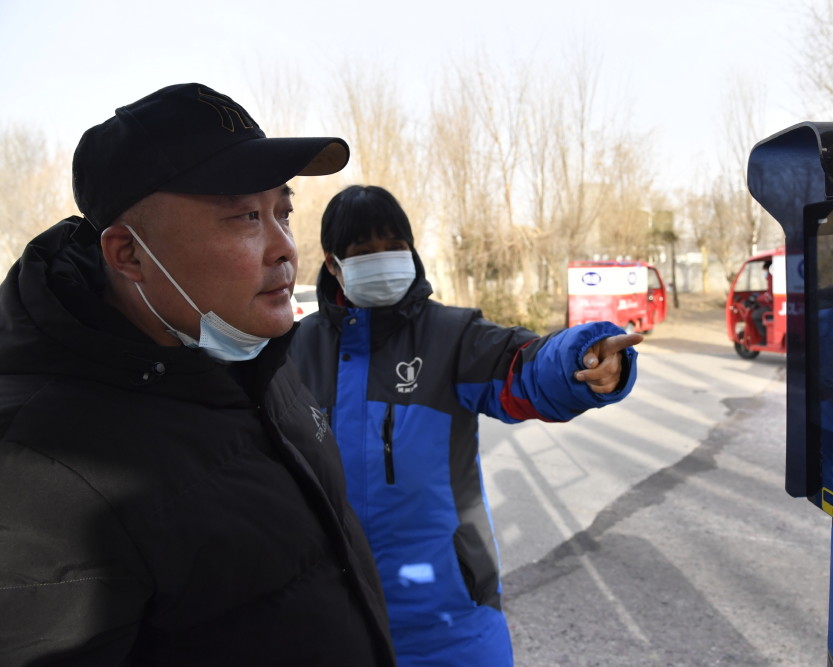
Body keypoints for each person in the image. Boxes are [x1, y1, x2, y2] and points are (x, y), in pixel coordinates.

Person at [0, 84, 396, 665]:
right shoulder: (41, 464)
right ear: (128, 255)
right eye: (244, 218)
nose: (284, 248)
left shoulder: (255, 359)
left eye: (283, 212)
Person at [288, 185, 643, 666]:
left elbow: (525, 369)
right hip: (332, 623)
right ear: (334, 265)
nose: (384, 258)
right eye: (364, 252)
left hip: (451, 620)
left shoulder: (452, 338)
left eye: (394, 246)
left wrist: (584, 360)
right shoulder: (292, 351)